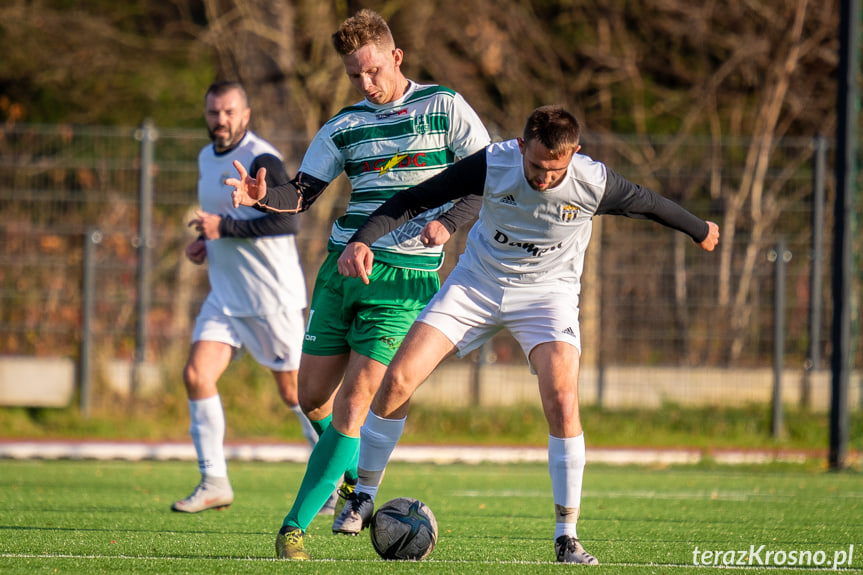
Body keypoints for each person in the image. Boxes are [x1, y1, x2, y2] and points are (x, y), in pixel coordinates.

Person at [337, 105, 720, 564]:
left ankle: (567, 535)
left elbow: (650, 204)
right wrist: (363, 238)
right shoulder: (494, 163)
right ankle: (363, 494)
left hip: (547, 296)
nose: (542, 177)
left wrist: (700, 230)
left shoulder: (594, 182)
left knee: (561, 398)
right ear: (521, 147)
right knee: (398, 379)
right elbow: (417, 198)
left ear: (575, 154)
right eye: (535, 165)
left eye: (554, 169)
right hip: (476, 284)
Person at [227, 9, 490, 560]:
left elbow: (489, 175)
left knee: (354, 406)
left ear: (396, 57)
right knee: (310, 398)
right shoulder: (343, 126)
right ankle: (350, 482)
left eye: (372, 71)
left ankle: (294, 526)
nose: (365, 84)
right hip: (342, 268)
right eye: (354, 76)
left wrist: (449, 221)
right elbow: (300, 193)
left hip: (404, 280)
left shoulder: (444, 106)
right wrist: (261, 197)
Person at [172, 81, 321, 514]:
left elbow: (288, 223)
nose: (221, 120)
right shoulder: (205, 158)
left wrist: (226, 230)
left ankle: (344, 482)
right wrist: (208, 243)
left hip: (269, 298)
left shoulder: (262, 158)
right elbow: (225, 220)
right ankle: (214, 480)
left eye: (229, 112)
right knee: (197, 375)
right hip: (225, 296)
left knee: (298, 395)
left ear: (246, 115)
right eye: (214, 112)